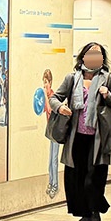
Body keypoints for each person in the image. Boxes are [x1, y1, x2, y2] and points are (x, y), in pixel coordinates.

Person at [52, 42, 111, 221]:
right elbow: (54, 98)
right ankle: (84, 212)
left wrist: (108, 96)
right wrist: (60, 107)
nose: (94, 57)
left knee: (94, 177)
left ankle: (95, 213)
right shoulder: (72, 78)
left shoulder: (108, 79)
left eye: (98, 54)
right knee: (76, 177)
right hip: (76, 136)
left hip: (98, 137)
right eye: (90, 53)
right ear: (83, 57)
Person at [37, 68, 61, 198]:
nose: (44, 85)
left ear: (50, 82)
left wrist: (45, 95)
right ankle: (51, 183)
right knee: (50, 160)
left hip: (56, 132)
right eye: (43, 82)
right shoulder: (47, 96)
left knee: (54, 160)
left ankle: (55, 185)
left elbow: (50, 109)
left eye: (46, 82)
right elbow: (41, 109)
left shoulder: (52, 96)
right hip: (51, 131)